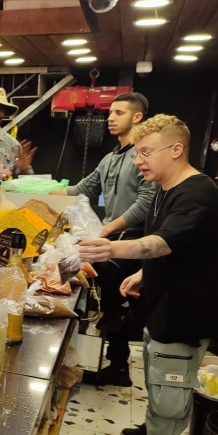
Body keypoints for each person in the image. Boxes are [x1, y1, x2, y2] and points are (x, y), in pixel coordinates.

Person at [79, 114, 218, 435]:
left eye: (146, 153)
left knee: (170, 394)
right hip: (162, 307)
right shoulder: (164, 186)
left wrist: (110, 247)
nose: (139, 160)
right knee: (157, 379)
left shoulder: (198, 193)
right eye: (136, 154)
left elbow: (161, 243)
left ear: (176, 150)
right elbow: (180, 244)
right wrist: (145, 274)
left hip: (185, 315)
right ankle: (152, 434)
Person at [50, 92, 156, 387]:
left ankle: (119, 366)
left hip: (132, 241)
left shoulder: (143, 156)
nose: (110, 118)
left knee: (118, 305)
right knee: (109, 301)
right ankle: (112, 361)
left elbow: (145, 203)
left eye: (119, 113)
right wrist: (34, 193)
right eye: (111, 112)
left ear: (138, 117)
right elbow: (82, 188)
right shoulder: (111, 158)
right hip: (111, 238)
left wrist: (108, 230)